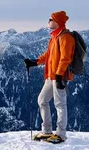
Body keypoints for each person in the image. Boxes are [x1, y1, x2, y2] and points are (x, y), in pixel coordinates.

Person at [24, 11, 75, 143]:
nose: (48, 22)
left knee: (60, 104)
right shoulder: (54, 38)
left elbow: (65, 58)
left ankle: (61, 134)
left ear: (57, 21)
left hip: (59, 76)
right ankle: (47, 130)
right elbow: (48, 55)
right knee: (42, 100)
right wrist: (35, 62)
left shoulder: (66, 38)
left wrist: (59, 75)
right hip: (50, 76)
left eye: (50, 19)